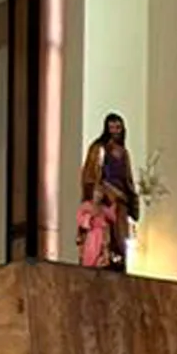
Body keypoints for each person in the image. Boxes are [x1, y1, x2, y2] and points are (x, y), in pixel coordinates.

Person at [78, 112, 139, 271]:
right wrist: (101, 191)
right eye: (111, 128)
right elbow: (90, 175)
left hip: (120, 200)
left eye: (118, 127)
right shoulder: (99, 148)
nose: (115, 131)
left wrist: (129, 198)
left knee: (119, 237)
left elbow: (128, 179)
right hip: (105, 194)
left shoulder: (124, 153)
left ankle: (117, 258)